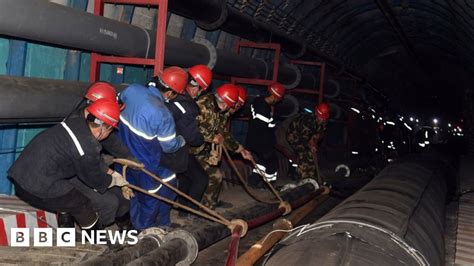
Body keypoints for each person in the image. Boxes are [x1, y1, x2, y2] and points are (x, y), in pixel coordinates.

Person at [8, 99, 129, 230]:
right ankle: (96, 241)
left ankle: (70, 222)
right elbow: (95, 181)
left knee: (70, 192)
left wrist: (108, 171)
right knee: (81, 204)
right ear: (105, 127)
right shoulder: (87, 146)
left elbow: (86, 159)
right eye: (111, 130)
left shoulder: (76, 123)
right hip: (33, 186)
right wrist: (115, 180)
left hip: (21, 172)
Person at [59, 81, 138, 228]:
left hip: (86, 169)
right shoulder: (77, 126)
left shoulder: (92, 119)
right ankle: (89, 234)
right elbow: (86, 161)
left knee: (123, 198)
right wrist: (108, 170)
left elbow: (110, 141)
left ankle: (126, 229)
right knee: (108, 203)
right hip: (71, 175)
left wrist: (130, 158)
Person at [117, 66, 187, 230]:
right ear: (170, 93)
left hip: (122, 157)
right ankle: (146, 231)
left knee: (133, 192)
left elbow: (118, 104)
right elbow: (169, 147)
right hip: (144, 164)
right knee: (150, 197)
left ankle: (157, 223)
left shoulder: (132, 89)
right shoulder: (162, 113)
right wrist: (181, 141)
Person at [191, 83, 253, 209]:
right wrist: (211, 138)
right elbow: (191, 129)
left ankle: (209, 206)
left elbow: (223, 133)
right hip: (190, 151)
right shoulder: (203, 107)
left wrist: (240, 149)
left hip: (202, 150)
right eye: (237, 106)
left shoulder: (221, 112)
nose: (236, 109)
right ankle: (194, 208)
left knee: (215, 176)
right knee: (206, 178)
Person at [165, 65, 212, 216]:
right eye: (200, 89)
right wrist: (203, 139)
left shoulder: (171, 92)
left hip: (163, 144)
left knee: (185, 177)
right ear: (194, 86)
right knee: (201, 179)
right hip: (174, 148)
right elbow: (192, 137)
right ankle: (191, 213)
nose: (199, 93)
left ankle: (183, 210)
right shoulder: (186, 104)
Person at [246, 82, 285, 186]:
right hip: (261, 142)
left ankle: (253, 181)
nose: (277, 101)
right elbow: (260, 128)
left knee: (263, 162)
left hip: (258, 141)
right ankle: (269, 185)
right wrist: (266, 146)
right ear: (273, 96)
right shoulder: (262, 107)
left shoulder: (259, 102)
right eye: (277, 99)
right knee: (272, 162)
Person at [281, 102, 330, 182]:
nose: (321, 119)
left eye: (323, 118)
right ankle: (303, 176)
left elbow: (319, 132)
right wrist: (311, 146)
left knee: (312, 155)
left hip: (308, 136)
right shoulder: (307, 121)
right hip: (295, 136)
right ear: (316, 113)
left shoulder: (323, 120)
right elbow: (304, 139)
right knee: (304, 153)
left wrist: (315, 141)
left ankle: (312, 176)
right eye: (320, 117)